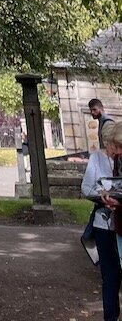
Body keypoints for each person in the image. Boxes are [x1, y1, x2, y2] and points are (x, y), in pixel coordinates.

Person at [82, 118, 122, 321]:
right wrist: (102, 195)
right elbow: (86, 188)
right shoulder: (97, 158)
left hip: (120, 221)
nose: (114, 150)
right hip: (104, 223)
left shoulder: (119, 159)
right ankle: (110, 317)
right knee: (110, 277)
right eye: (112, 145)